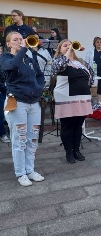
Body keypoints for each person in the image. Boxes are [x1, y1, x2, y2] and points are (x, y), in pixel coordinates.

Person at [0, 31, 45, 186]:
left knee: (32, 139)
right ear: (8, 43)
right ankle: (21, 173)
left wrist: (39, 88)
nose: (20, 41)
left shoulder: (29, 58)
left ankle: (30, 170)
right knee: (19, 139)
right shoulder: (5, 58)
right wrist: (24, 49)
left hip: (34, 103)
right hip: (17, 102)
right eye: (15, 40)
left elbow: (40, 75)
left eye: (21, 39)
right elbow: (13, 66)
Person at [51, 39, 94, 163]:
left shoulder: (81, 62)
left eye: (70, 45)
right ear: (60, 49)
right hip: (66, 98)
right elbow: (58, 68)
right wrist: (68, 53)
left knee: (78, 125)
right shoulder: (58, 60)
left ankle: (76, 150)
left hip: (82, 98)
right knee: (68, 126)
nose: (68, 47)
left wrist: (85, 87)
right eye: (65, 46)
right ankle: (68, 152)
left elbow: (91, 75)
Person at [0, 66, 10, 143]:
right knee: (1, 115)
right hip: (2, 92)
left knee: (10, 112)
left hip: (9, 91)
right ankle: (3, 135)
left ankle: (11, 133)